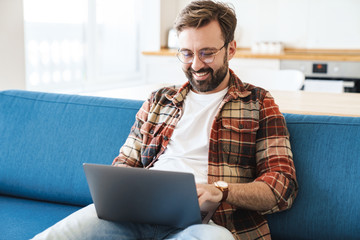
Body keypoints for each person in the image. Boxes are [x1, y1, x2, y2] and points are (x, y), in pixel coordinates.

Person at [33, 1, 298, 239]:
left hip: (207, 225)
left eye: (207, 53)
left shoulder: (258, 102)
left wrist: (221, 191)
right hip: (135, 217)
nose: (195, 65)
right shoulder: (160, 99)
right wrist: (122, 187)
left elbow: (282, 186)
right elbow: (126, 161)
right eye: (186, 53)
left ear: (231, 49)